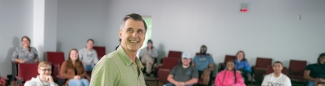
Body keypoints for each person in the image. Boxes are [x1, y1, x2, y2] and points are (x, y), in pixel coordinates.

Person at [90, 13, 147, 86]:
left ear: (144, 37)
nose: (135, 35)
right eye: (130, 30)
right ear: (120, 34)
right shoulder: (108, 64)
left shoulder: (138, 65)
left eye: (140, 31)